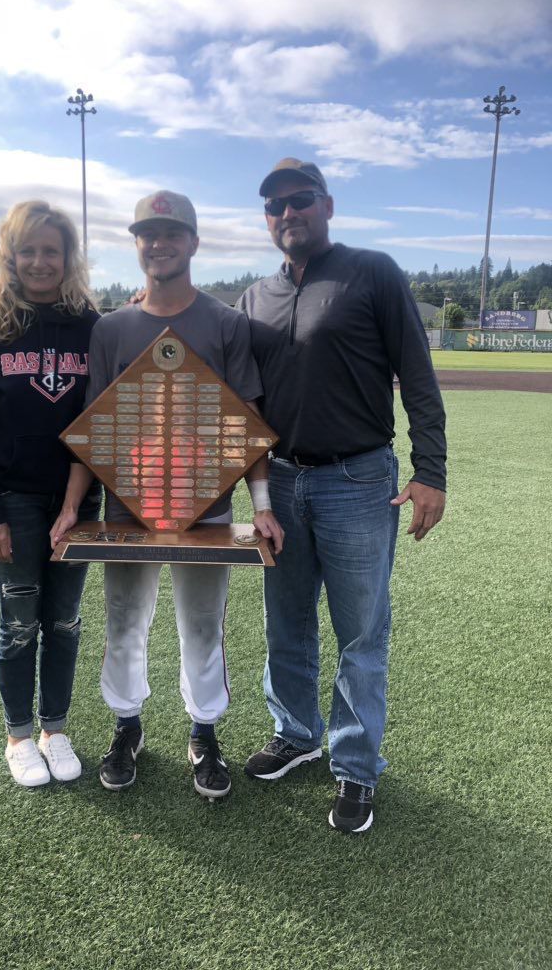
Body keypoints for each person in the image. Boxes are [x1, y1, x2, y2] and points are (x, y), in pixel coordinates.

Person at [50, 190, 283, 800]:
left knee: (203, 627)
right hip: (130, 508)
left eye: (171, 233)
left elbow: (246, 423)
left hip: (205, 508)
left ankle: (204, 732)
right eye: (148, 234)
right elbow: (95, 429)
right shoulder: (112, 328)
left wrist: (261, 505)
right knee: (125, 622)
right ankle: (127, 727)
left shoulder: (226, 323)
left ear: (193, 243)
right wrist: (73, 507)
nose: (159, 243)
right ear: (137, 244)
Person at [238, 158, 447, 833]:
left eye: (299, 200)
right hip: (283, 481)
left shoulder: (373, 272)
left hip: (359, 479)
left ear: (327, 205)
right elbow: (242, 406)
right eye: (274, 206)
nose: (287, 213)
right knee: (287, 623)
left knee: (360, 631)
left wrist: (431, 470)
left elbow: (417, 374)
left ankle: (356, 767)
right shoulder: (254, 298)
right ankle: (297, 734)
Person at [0, 200, 101, 788]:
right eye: (28, 250)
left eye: (51, 251)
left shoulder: (89, 321)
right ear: (10, 255)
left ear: (68, 258)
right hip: (11, 499)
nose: (40, 262)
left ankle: (54, 729)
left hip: (76, 499)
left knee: (63, 620)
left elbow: (99, 414)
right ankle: (18, 735)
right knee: (19, 623)